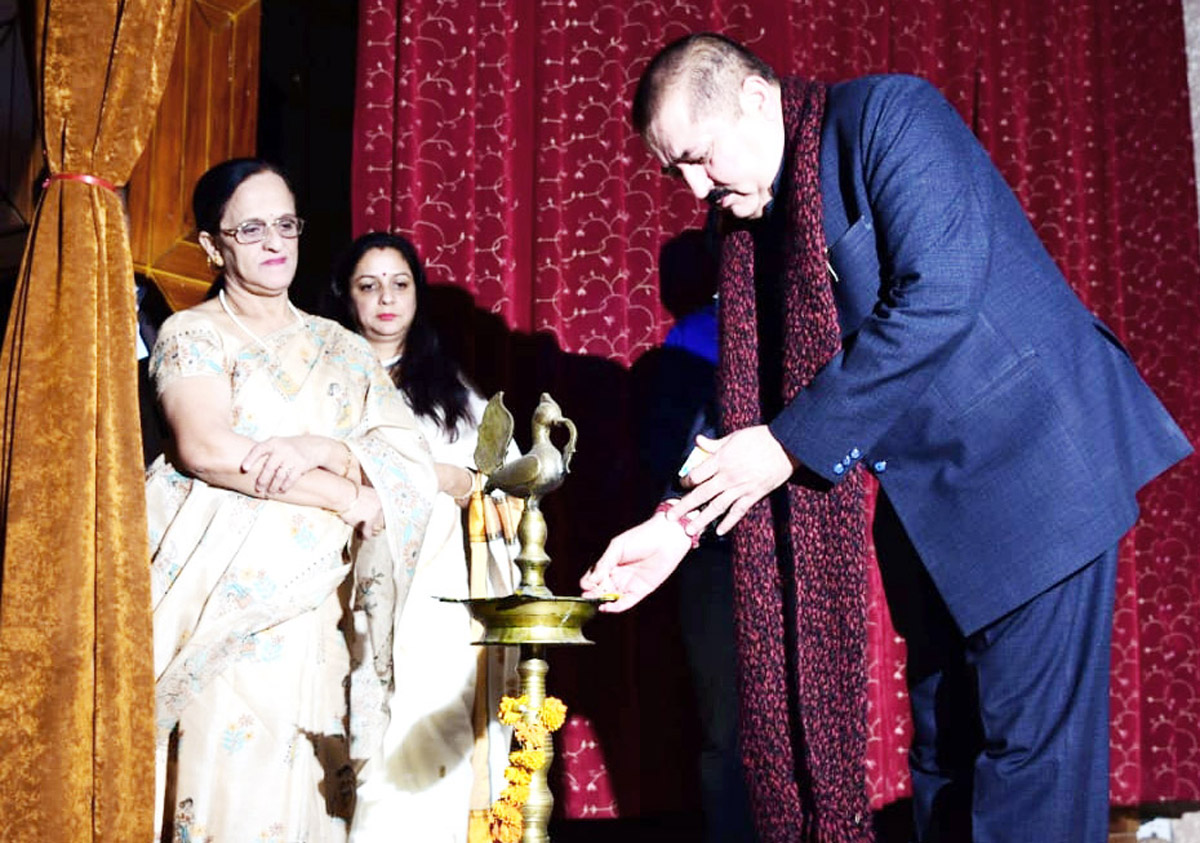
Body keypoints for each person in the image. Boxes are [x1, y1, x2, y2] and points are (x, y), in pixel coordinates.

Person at [581, 33, 1193, 843]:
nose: (694, 187)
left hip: (1035, 476)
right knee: (945, 760)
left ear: (757, 101)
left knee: (1026, 769)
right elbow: (753, 396)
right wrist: (677, 523)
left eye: (698, 157)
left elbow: (940, 291)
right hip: (929, 517)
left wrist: (787, 445)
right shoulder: (750, 225)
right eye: (675, 172)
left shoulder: (886, 116)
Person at [147, 159, 436, 842]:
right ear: (214, 246)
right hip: (219, 611)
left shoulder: (341, 347)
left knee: (312, 786)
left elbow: (409, 467)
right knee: (232, 794)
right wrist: (343, 490)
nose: (275, 242)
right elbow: (207, 447)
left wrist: (321, 445)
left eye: (285, 224)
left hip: (319, 609)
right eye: (251, 228)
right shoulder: (194, 334)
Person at [327, 231, 520, 842]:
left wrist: (434, 477)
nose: (386, 298)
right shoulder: (322, 374)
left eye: (400, 283)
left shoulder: (452, 397)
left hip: (431, 588)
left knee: (423, 729)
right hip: (334, 578)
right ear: (346, 297)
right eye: (369, 285)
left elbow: (503, 482)